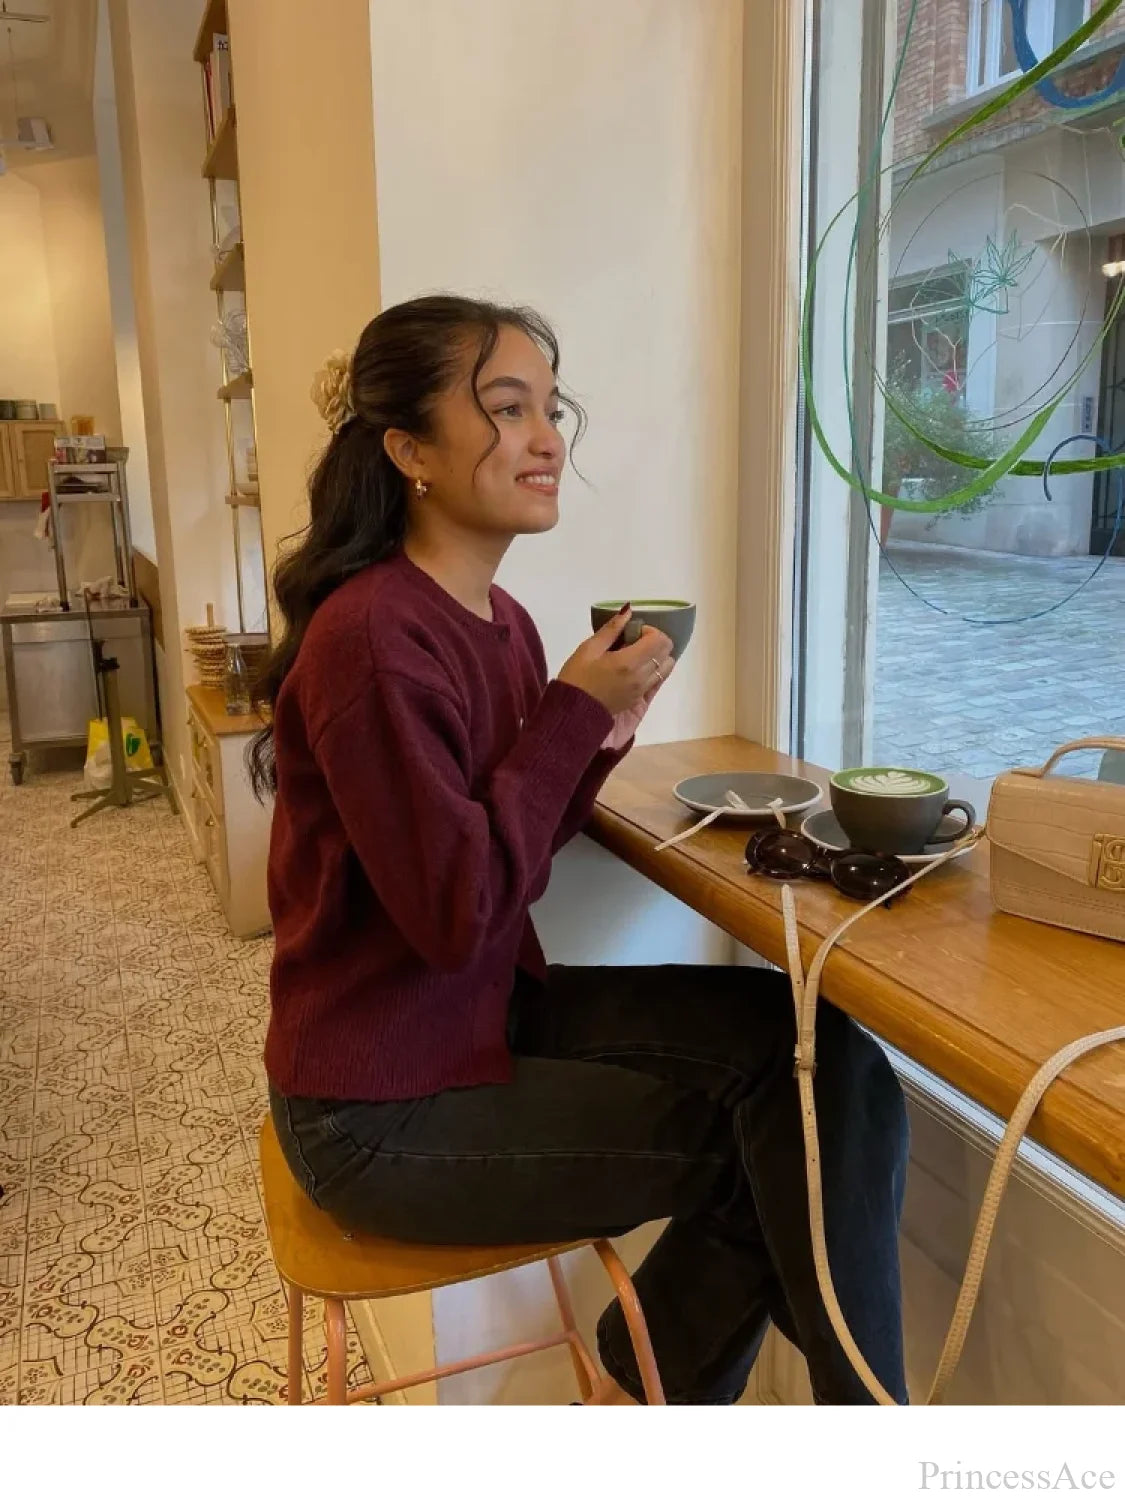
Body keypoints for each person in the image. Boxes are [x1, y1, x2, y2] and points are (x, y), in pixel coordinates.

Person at [253, 294, 909, 1406]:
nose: (548, 438)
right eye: (507, 410)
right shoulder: (372, 640)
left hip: (476, 1024)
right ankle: (828, 1429)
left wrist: (598, 731)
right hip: (380, 1107)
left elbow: (510, 853)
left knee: (822, 1063)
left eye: (550, 409)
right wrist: (566, 714)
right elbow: (457, 912)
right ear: (408, 450)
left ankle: (661, 1394)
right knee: (783, 1160)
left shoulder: (495, 622)